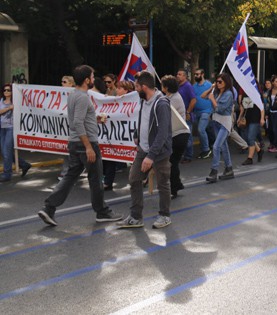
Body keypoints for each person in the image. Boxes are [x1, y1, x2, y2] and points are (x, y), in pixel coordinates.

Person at [38, 65, 122, 226]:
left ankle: (49, 208)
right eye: (92, 77)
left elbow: (80, 118)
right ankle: (102, 212)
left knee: (70, 176)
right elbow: (77, 122)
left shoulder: (73, 94)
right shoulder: (83, 97)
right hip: (86, 143)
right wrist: (89, 147)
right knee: (96, 178)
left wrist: (95, 119)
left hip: (74, 143)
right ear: (86, 80)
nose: (93, 79)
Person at [117, 71, 173, 229]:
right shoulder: (143, 100)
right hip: (143, 149)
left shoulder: (161, 104)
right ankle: (136, 217)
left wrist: (151, 156)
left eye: (136, 86)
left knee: (162, 184)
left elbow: (163, 134)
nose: (135, 90)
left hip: (158, 153)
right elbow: (142, 119)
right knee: (134, 179)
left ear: (145, 87)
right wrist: (137, 135)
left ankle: (164, 215)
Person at [202, 73, 236, 182]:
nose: (218, 83)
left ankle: (214, 171)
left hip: (225, 122)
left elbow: (220, 108)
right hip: (216, 121)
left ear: (226, 82)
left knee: (216, 146)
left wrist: (212, 99)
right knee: (223, 146)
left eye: (220, 81)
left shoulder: (228, 94)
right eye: (217, 81)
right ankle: (229, 168)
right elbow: (202, 96)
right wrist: (211, 88)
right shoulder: (216, 92)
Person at [161, 75, 190, 199]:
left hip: (179, 135)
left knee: (171, 162)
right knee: (173, 162)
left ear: (166, 87)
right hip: (175, 134)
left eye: (162, 85)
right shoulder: (169, 97)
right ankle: (176, 185)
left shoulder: (174, 99)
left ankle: (174, 188)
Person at [1, 84, 31, 181]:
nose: (6, 92)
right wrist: (9, 108)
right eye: (4, 90)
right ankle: (24, 164)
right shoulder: (1, 101)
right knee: (6, 151)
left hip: (11, 129)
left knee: (6, 152)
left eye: (8, 90)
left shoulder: (16, 102)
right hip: (2, 129)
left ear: (12, 92)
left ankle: (7, 174)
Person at [192, 69, 214, 159]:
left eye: (197, 74)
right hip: (196, 112)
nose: (196, 76)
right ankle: (213, 144)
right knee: (207, 129)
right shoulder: (194, 86)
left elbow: (213, 98)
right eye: (195, 74)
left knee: (201, 129)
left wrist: (211, 112)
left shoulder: (209, 85)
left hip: (206, 111)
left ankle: (206, 149)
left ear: (202, 74)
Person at [176, 69, 197, 164]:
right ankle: (183, 154)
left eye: (180, 74)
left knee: (187, 137)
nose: (177, 76)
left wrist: (188, 112)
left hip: (186, 116)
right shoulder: (178, 86)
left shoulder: (188, 86)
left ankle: (188, 156)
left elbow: (193, 100)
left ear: (185, 76)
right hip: (179, 115)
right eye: (177, 74)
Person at [239, 92, 264, 166]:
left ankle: (250, 158)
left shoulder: (257, 93)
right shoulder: (244, 94)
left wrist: (262, 118)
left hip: (255, 118)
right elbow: (243, 108)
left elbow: (261, 106)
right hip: (246, 119)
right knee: (247, 137)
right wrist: (239, 117)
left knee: (250, 138)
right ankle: (259, 151)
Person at [266, 76, 277, 152]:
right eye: (276, 81)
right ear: (273, 82)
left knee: (275, 129)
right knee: (270, 129)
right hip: (270, 112)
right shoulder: (270, 91)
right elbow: (267, 102)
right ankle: (272, 143)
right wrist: (266, 113)